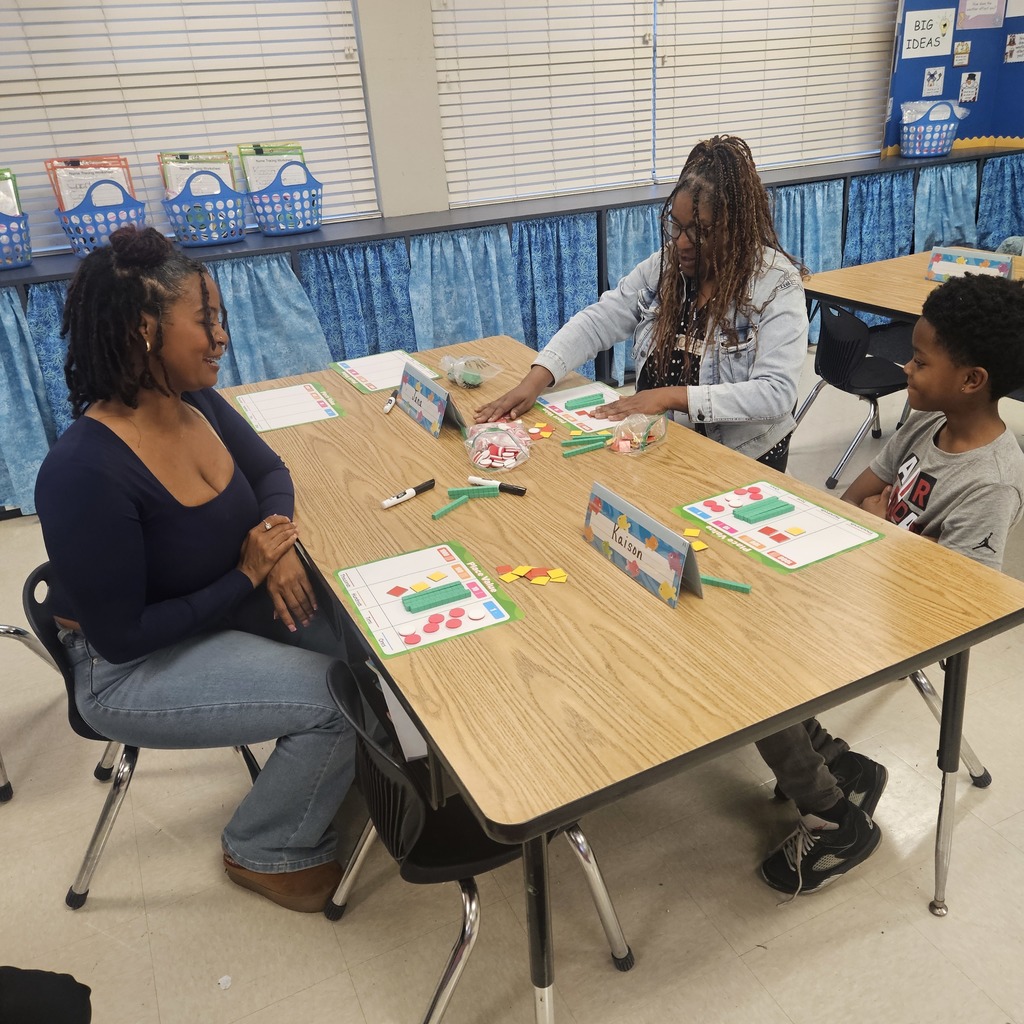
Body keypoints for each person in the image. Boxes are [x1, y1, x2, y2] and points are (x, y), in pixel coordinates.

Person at [34, 226, 357, 914]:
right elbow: (122, 638)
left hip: (205, 605)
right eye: (205, 321)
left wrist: (275, 545)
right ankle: (263, 847)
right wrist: (247, 574)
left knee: (365, 645)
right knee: (335, 696)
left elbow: (270, 471)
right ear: (143, 330)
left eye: (222, 319)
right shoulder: (84, 470)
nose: (221, 338)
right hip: (129, 666)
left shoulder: (197, 404)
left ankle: (334, 773)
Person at [759, 272, 1024, 898]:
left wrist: (884, 530)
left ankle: (833, 818)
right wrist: (883, 529)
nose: (905, 367)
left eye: (920, 360)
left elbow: (958, 605)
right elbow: (855, 499)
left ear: (971, 380)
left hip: (900, 624)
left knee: (755, 681)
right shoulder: (923, 424)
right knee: (740, 624)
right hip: (861, 580)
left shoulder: (989, 482)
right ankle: (831, 756)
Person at [476, 134, 809, 471]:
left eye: (699, 231)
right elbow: (600, 319)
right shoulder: (666, 266)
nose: (681, 243)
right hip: (661, 442)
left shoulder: (776, 284)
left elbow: (775, 392)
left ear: (734, 229)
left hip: (739, 456)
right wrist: (535, 380)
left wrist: (669, 396)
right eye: (675, 227)